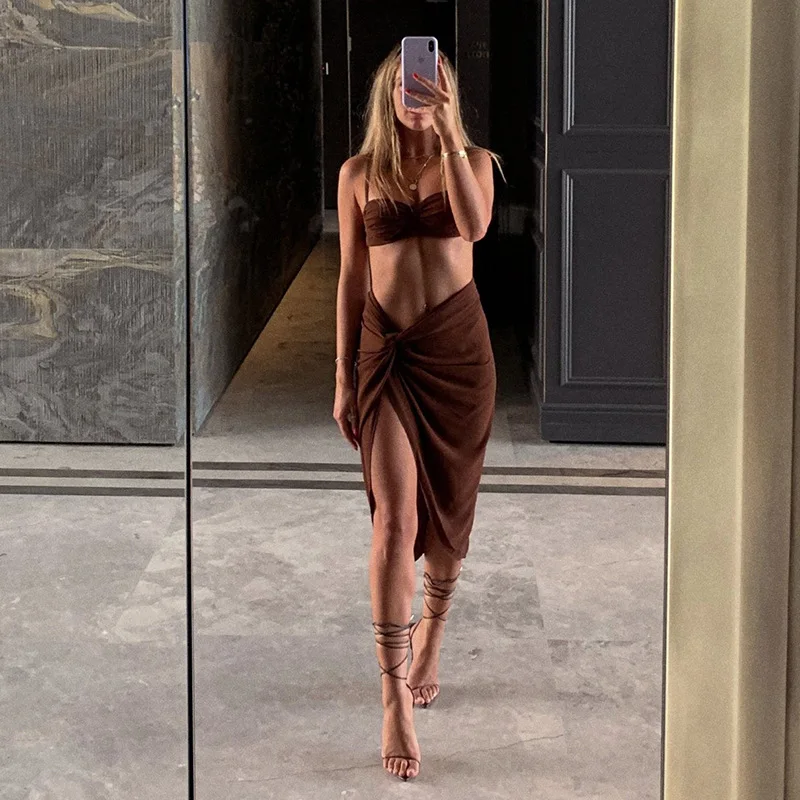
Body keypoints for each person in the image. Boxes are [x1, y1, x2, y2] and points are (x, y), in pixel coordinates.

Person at [332, 43, 501, 782]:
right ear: (387, 90)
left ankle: (434, 626)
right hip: (388, 355)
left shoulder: (475, 161)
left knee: (452, 512)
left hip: (458, 358)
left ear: (444, 88)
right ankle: (392, 692)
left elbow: (475, 226)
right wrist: (344, 374)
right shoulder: (358, 174)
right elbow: (350, 277)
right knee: (394, 521)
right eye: (405, 83)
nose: (415, 91)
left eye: (427, 82)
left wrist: (449, 133)